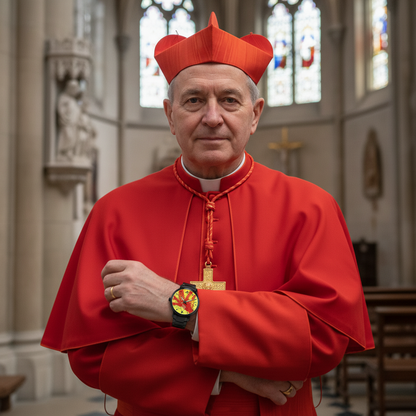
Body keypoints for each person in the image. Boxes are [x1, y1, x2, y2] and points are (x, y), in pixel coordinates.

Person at [42, 13, 374, 416]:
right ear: (169, 115)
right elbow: (91, 354)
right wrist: (227, 374)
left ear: (255, 114)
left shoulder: (311, 207)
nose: (212, 117)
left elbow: (322, 337)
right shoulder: (115, 213)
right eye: (194, 100)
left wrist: (177, 303)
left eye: (230, 100)